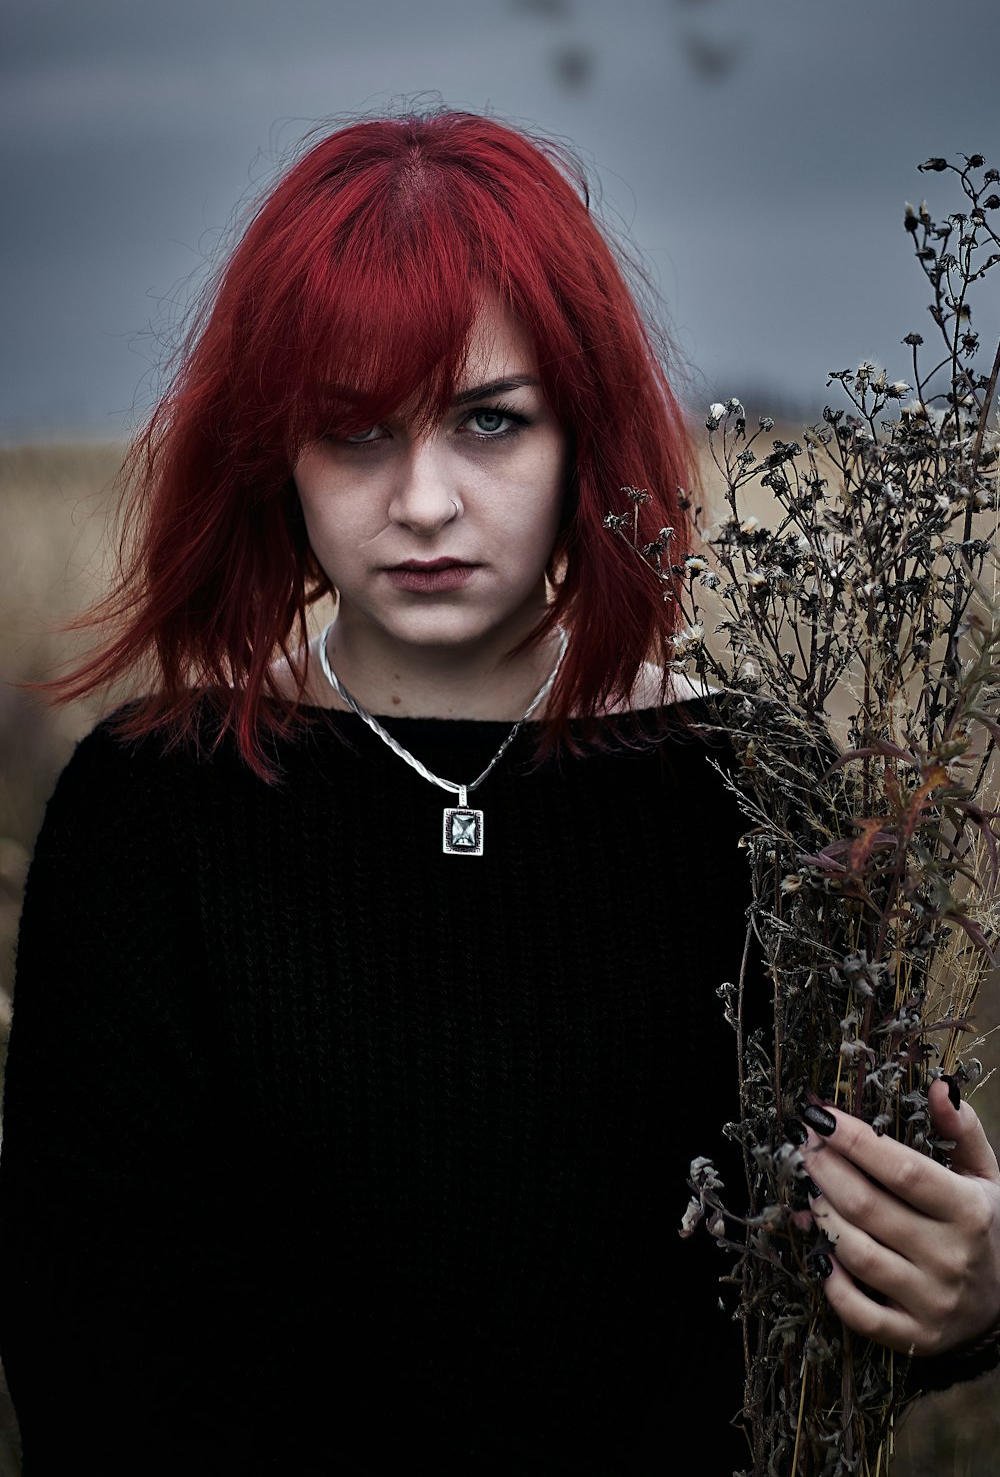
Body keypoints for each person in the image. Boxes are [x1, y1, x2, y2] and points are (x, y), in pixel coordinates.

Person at [0, 110, 997, 1475]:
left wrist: (967, 1290)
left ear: (581, 429)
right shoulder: (155, 808)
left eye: (488, 421)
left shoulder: (752, 789)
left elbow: (814, 1327)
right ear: (276, 454)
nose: (423, 499)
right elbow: (81, 1349)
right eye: (355, 431)